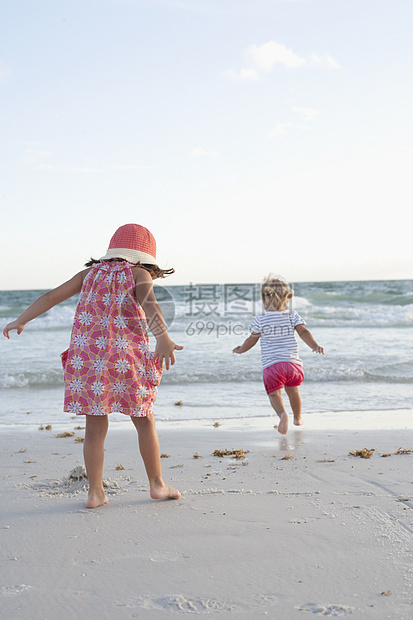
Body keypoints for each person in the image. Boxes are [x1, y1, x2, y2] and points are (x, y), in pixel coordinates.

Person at [3, 223, 183, 508]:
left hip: (88, 362)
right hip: (126, 361)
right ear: (145, 257)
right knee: (145, 420)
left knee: (95, 428)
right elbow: (151, 306)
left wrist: (22, 319)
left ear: (111, 250)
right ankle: (157, 484)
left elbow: (51, 297)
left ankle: (95, 493)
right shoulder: (138, 274)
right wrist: (164, 338)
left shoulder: (89, 274)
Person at [233, 275, 324, 435]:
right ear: (287, 299)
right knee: (293, 392)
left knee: (275, 394)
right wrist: (314, 345)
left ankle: (283, 415)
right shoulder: (292, 316)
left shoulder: (261, 319)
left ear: (263, 299)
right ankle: (297, 417)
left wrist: (241, 349)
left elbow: (251, 340)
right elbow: (303, 332)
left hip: (272, 367)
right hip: (293, 366)